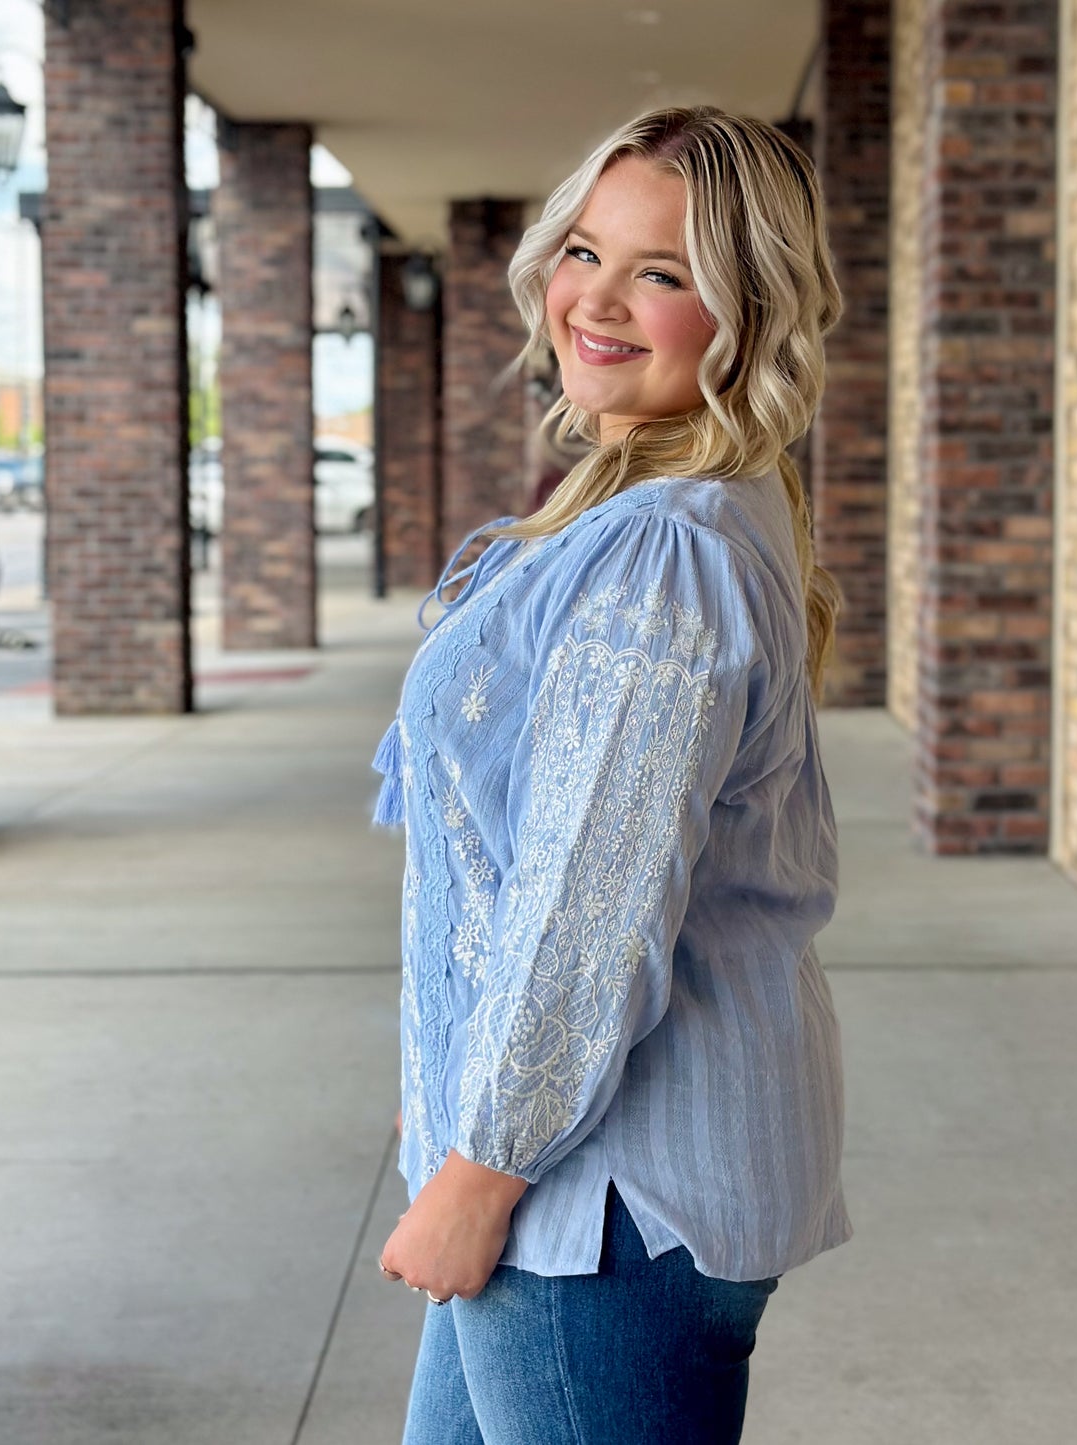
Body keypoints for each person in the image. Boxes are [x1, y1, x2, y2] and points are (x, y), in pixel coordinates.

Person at [370, 105, 850, 1445]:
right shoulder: (655, 502)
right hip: (575, 1188)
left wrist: (478, 1172)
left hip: (598, 1202)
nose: (598, 299)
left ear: (746, 313)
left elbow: (589, 902)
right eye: (587, 249)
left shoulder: (664, 550)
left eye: (665, 273)